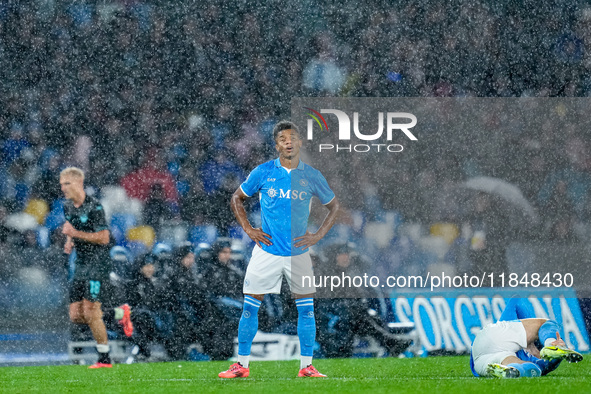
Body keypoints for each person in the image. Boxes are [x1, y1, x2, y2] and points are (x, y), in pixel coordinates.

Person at [219, 120, 340, 378]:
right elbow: (236, 198)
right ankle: (242, 365)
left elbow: (334, 207)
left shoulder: (311, 176)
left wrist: (317, 235)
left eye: (292, 137)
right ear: (276, 145)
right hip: (267, 251)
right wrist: (249, 230)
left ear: (299, 143)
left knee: (306, 309)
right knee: (250, 307)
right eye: (282, 138)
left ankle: (306, 366)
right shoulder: (263, 172)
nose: (288, 141)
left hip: (299, 253)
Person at [60, 166, 131, 368]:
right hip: (81, 263)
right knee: (75, 316)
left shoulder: (95, 207)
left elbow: (104, 238)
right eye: (62, 184)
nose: (63, 188)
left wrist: (75, 234)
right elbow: (71, 227)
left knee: (91, 311)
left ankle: (104, 358)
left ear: (79, 183)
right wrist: (69, 240)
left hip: (97, 263)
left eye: (67, 183)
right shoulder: (67, 206)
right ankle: (119, 313)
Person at [470, 297, 583, 378]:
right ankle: (551, 343)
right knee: (534, 370)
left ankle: (510, 371)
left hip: (481, 356)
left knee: (518, 368)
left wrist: (526, 325)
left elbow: (515, 300)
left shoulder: (508, 330)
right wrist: (559, 351)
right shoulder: (538, 362)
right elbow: (550, 363)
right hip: (482, 363)